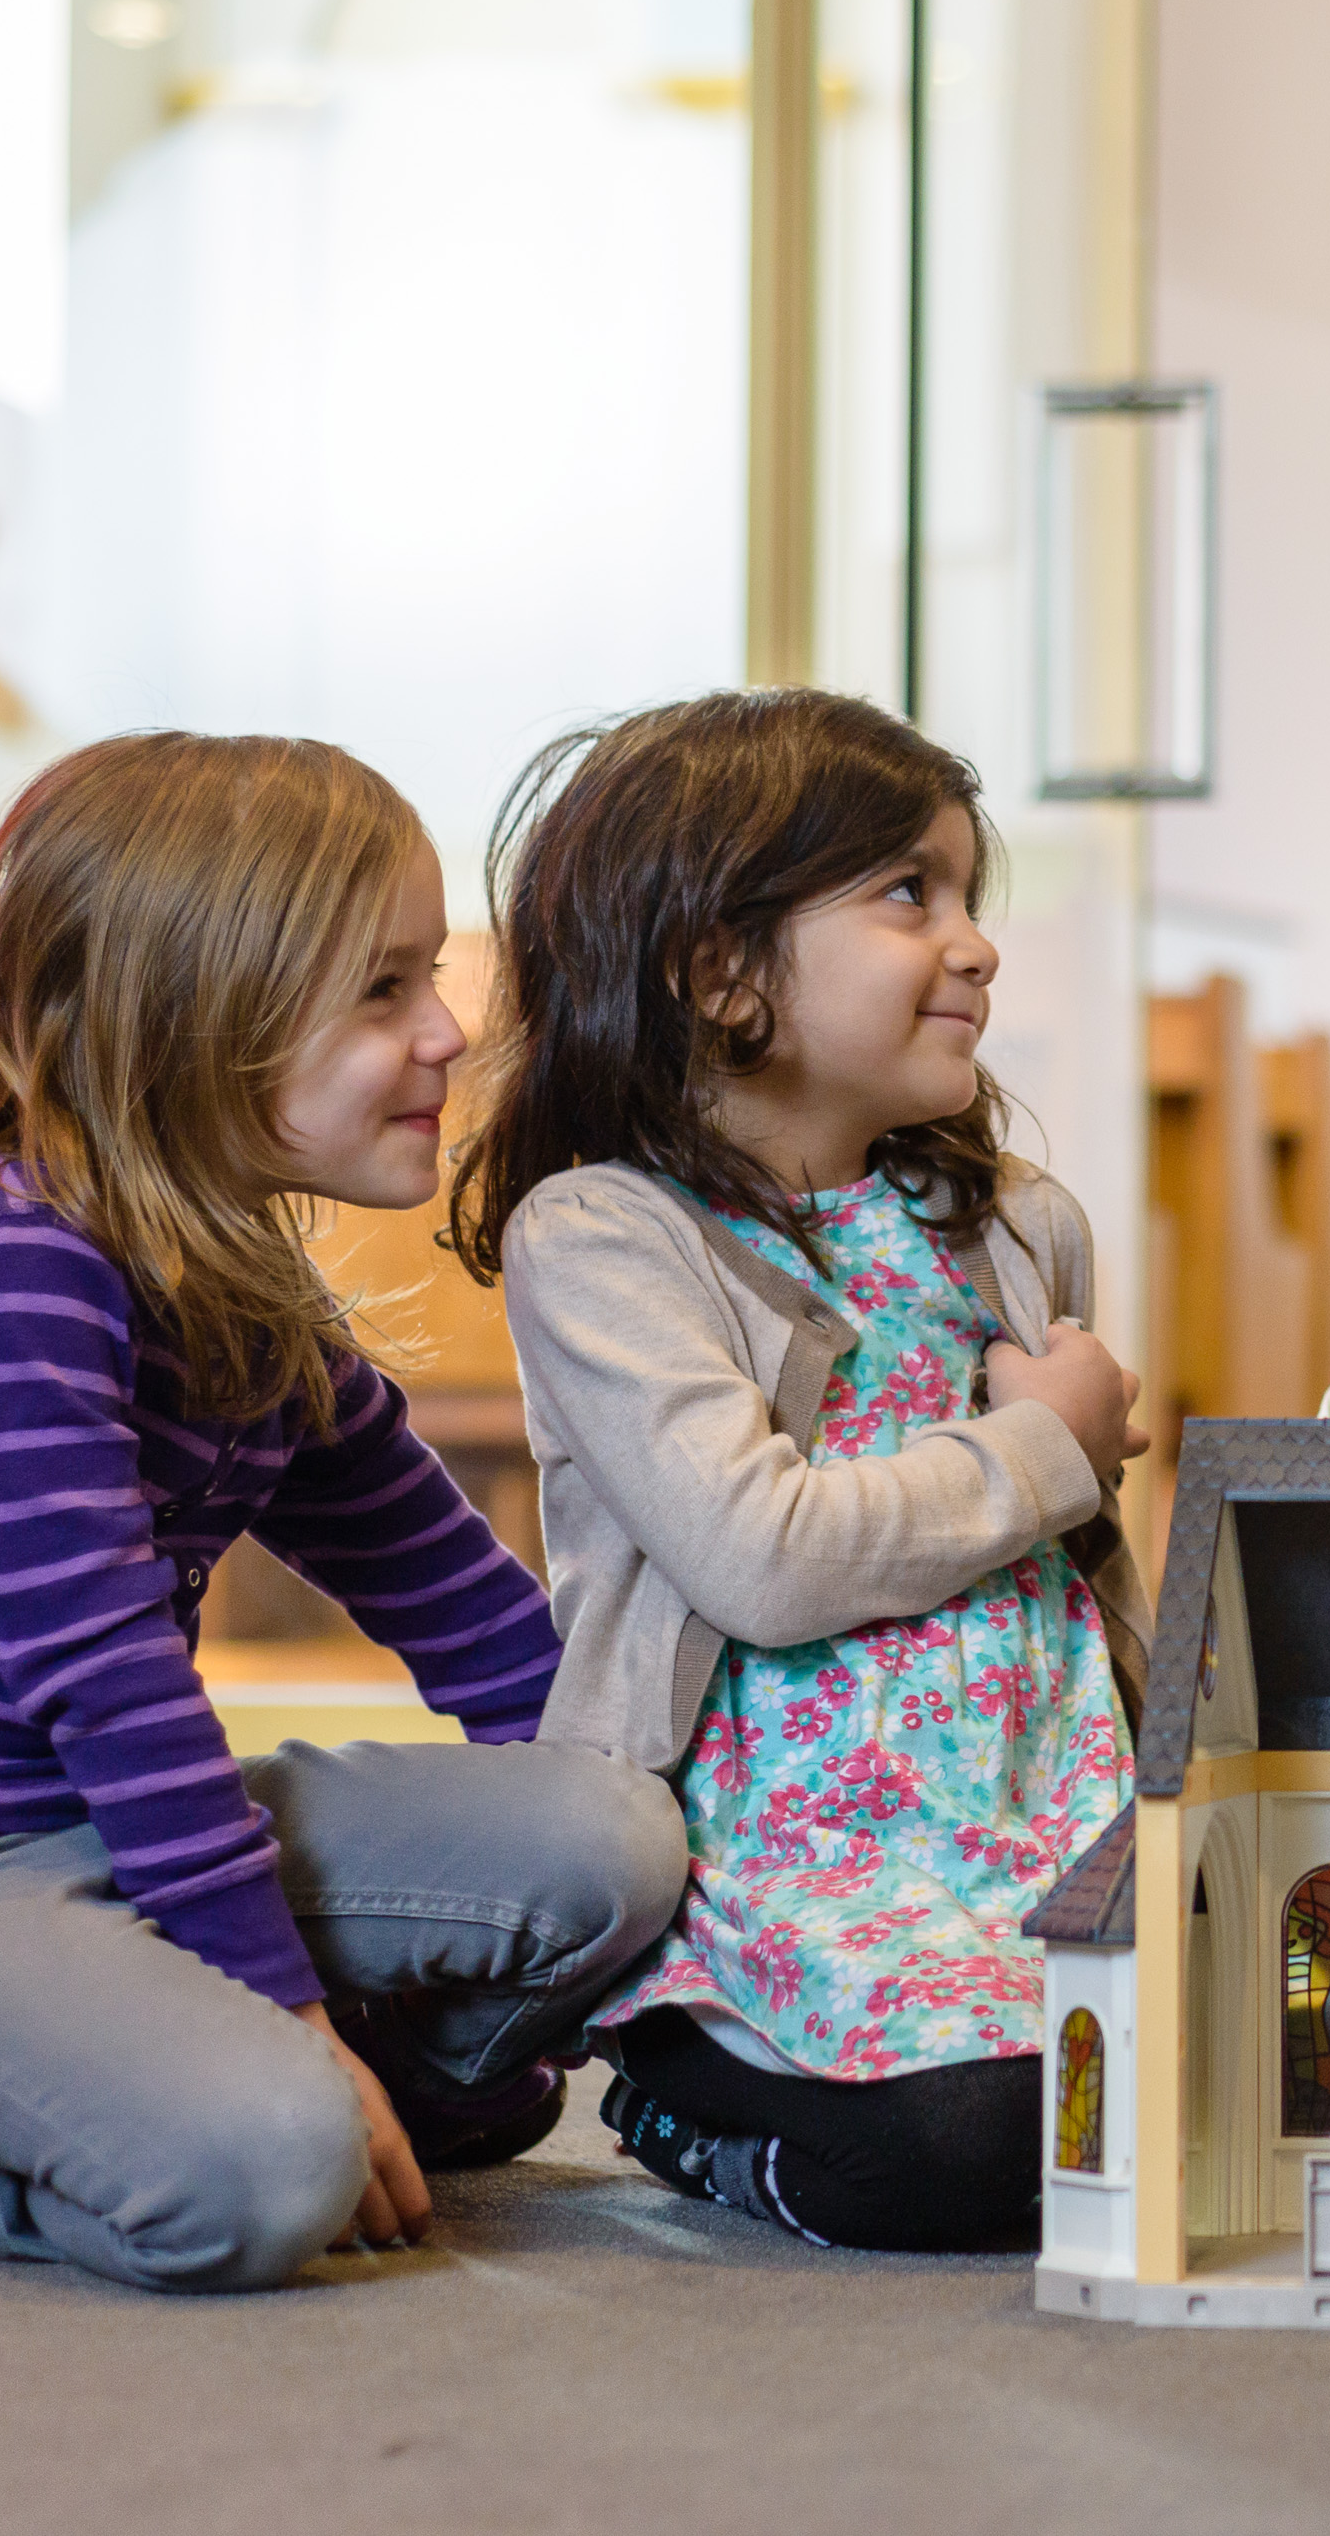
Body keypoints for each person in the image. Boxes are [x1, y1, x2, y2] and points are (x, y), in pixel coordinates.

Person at [0, 734, 687, 2296]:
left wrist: (771, 1861)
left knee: (616, 1834)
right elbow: (108, 1682)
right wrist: (285, 2016)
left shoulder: (240, 1285)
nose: (447, 1030)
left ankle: (296, 2075)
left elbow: (471, 1614)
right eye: (381, 990)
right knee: (271, 2164)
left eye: (433, 975)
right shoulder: (1, 1262)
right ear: (188, 1021)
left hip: (104, 1824)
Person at [445, 689, 1145, 2253]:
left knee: (1239, 2080)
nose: (975, 943)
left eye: (971, 894)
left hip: (1041, 1808)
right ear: (718, 973)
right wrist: (1051, 1447)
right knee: (967, 2155)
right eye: (912, 893)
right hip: (785, 1861)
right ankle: (683, 2100)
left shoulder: (1021, 1224)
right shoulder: (607, 1236)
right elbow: (760, 1555)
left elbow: (1079, 1584)